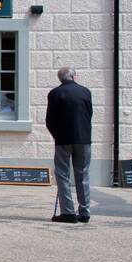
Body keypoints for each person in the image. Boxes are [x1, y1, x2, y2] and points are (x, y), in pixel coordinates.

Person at [46, 66, 93, 223]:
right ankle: (85, 211)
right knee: (83, 174)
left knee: (62, 174)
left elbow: (50, 120)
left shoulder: (55, 93)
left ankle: (67, 212)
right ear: (74, 76)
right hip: (84, 138)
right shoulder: (86, 92)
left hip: (63, 139)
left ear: (60, 78)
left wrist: (56, 135)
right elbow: (89, 114)